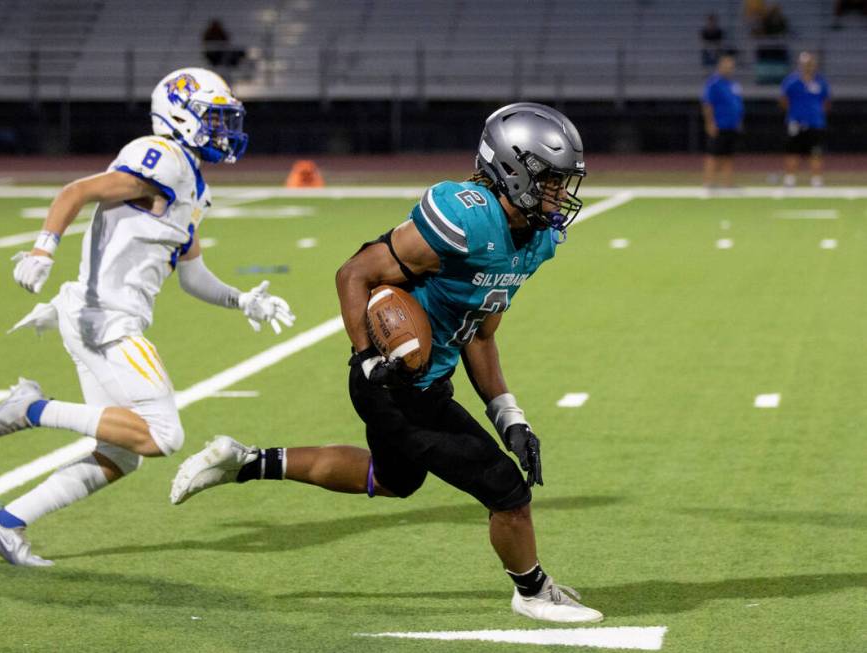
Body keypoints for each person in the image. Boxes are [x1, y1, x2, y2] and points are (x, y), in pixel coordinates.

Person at [171, 103, 604, 624]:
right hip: (393, 378)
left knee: (394, 479)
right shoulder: (466, 216)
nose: (560, 195)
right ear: (512, 170)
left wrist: (508, 413)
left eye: (564, 183)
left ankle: (244, 461)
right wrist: (366, 359)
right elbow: (353, 272)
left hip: (427, 379)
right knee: (505, 490)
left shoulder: (535, 241)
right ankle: (533, 591)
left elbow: (480, 333)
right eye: (551, 181)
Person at [0, 67, 295, 566]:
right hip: (107, 321)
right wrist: (43, 249)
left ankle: (5, 523)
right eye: (213, 118)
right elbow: (75, 191)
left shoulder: (192, 184)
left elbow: (192, 275)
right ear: (179, 116)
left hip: (95, 319)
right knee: (164, 435)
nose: (223, 130)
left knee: (121, 454)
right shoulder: (162, 157)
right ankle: (29, 409)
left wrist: (241, 300)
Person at [780, 52, 831, 187]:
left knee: (816, 152)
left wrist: (816, 114)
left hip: (815, 123)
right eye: (806, 64)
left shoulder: (820, 82)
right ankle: (790, 179)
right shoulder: (791, 81)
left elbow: (826, 102)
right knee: (792, 152)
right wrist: (795, 114)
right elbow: (784, 100)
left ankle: (816, 180)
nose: (808, 66)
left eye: (811, 63)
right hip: (795, 123)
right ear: (800, 64)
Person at [701, 53, 744, 189]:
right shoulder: (713, 83)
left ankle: (727, 182)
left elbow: (737, 104)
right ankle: (708, 182)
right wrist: (710, 123)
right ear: (720, 66)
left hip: (732, 125)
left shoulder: (733, 84)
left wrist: (738, 120)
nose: (728, 69)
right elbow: (707, 105)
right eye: (726, 66)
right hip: (719, 124)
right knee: (713, 154)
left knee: (728, 155)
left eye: (731, 66)